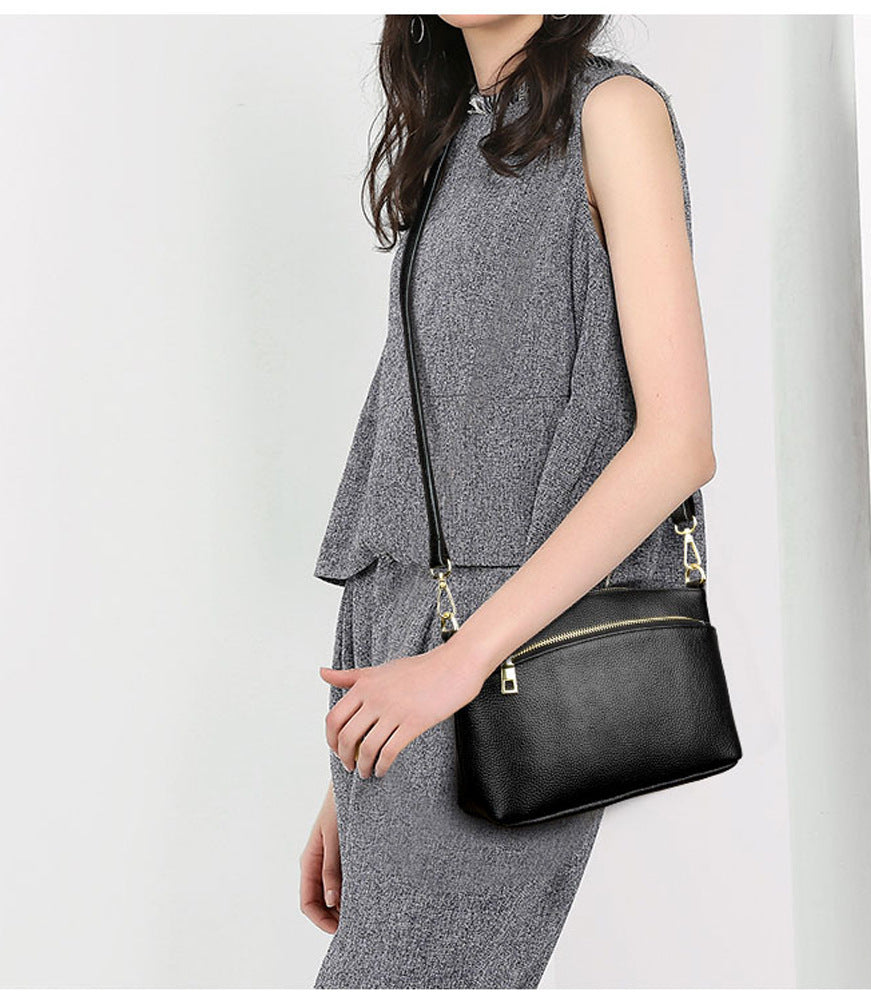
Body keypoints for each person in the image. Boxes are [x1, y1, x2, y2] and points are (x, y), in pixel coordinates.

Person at [300, 13, 716, 989]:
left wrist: (457, 665)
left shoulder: (612, 111)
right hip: (403, 643)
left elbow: (678, 442)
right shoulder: (451, 136)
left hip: (508, 652)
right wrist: (352, 774)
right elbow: (416, 443)